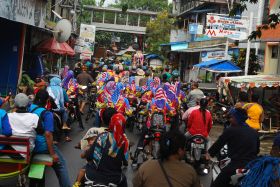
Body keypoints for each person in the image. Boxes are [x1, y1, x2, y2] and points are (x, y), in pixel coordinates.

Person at [208, 108, 260, 187]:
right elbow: (257, 150)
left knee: (216, 184)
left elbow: (218, 144)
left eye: (232, 117)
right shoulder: (254, 132)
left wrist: (208, 154)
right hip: (252, 166)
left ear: (237, 118)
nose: (230, 119)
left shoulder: (230, 130)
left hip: (236, 164)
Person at [30, 90, 71, 187]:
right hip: (42, 145)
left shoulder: (29, 108)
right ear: (47, 100)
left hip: (30, 144)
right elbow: (48, 134)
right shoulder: (46, 113)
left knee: (38, 166)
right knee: (61, 165)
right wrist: (52, 154)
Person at [133, 130, 201, 187]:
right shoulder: (190, 172)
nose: (185, 151)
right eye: (184, 148)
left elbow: (136, 184)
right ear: (180, 151)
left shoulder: (145, 168)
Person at [85, 108, 128, 186]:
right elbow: (125, 161)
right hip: (114, 178)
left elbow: (89, 156)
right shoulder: (124, 141)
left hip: (92, 175)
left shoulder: (101, 136)